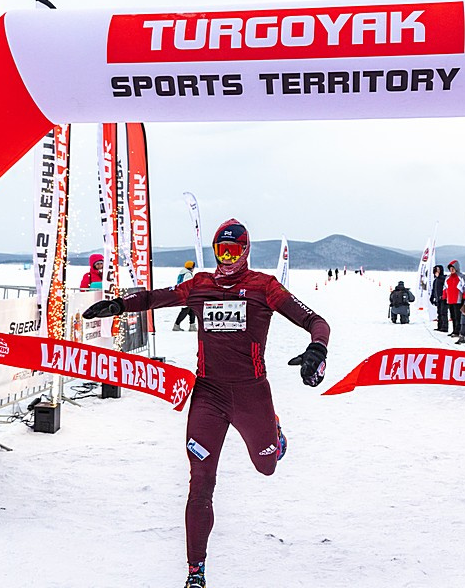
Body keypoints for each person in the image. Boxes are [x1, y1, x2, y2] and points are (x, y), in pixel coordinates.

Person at [82, 219, 330, 588]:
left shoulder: (264, 287)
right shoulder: (200, 286)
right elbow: (154, 298)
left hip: (251, 394)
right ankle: (195, 571)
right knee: (200, 483)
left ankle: (273, 433)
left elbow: (315, 321)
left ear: (246, 252)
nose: (228, 258)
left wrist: (317, 349)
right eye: (222, 250)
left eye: (235, 250)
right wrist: (119, 304)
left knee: (266, 467)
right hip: (209, 395)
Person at [443, 260, 465, 339]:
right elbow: (445, 287)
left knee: (458, 316)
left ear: (456, 268)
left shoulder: (461, 276)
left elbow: (464, 287)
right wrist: (444, 296)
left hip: (458, 300)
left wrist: (464, 297)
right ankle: (454, 330)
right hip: (450, 299)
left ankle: (458, 331)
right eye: (450, 268)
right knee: (452, 316)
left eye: (453, 268)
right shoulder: (447, 277)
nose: (451, 270)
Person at [173, 261, 197, 331]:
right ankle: (176, 325)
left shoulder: (182, 273)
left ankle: (192, 326)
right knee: (185, 310)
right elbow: (188, 285)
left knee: (192, 310)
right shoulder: (188, 274)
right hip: (187, 294)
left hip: (181, 293)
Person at [429, 265, 448, 333]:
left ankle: (444, 327)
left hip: (443, 298)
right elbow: (433, 290)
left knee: (443, 312)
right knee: (439, 313)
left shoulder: (443, 279)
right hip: (438, 298)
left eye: (438, 270)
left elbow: (446, 288)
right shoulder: (436, 280)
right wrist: (431, 298)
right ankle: (440, 326)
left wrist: (444, 296)